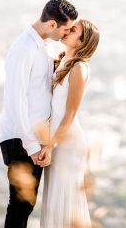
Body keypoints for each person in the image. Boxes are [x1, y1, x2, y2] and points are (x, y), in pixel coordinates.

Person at [0, 0, 78, 228]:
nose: (65, 34)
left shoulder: (46, 47)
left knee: (25, 205)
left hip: (33, 138)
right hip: (21, 138)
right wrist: (32, 146)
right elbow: (16, 102)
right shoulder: (23, 49)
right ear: (52, 24)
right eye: (64, 29)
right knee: (21, 204)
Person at [38, 19, 100, 228]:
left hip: (67, 143)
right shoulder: (63, 62)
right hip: (57, 140)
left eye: (74, 30)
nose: (67, 30)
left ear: (83, 42)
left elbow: (70, 114)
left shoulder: (79, 69)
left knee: (66, 200)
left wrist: (50, 144)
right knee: (55, 198)